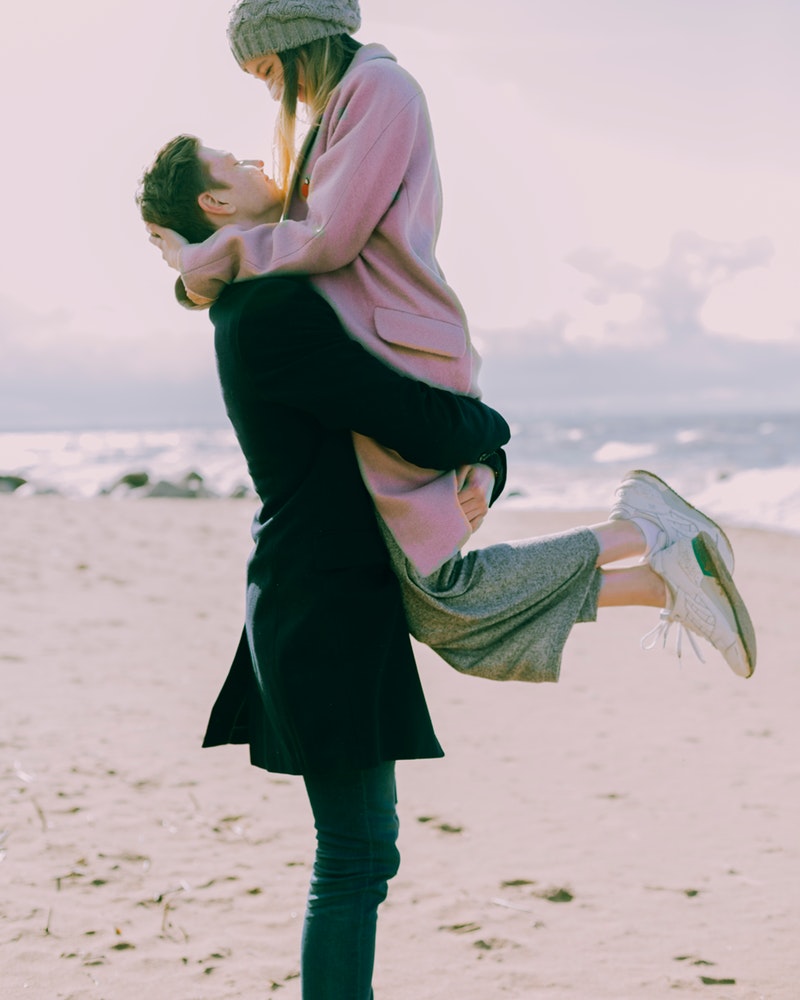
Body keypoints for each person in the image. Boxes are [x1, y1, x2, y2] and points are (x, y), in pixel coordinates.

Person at [139, 131, 756, 998]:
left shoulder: (265, 295)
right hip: (319, 602)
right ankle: (638, 541)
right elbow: (401, 412)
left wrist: (481, 468)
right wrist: (490, 440)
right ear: (215, 204)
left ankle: (652, 562)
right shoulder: (270, 310)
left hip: (328, 587)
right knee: (355, 857)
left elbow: (389, 407)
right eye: (233, 160)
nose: (253, 158)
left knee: (368, 830)